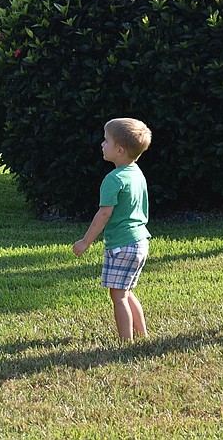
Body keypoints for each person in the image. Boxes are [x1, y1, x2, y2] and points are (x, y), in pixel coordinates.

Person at [73, 118, 152, 340]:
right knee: (125, 292)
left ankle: (126, 341)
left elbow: (104, 214)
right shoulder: (136, 173)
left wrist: (85, 242)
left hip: (122, 245)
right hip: (139, 242)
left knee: (117, 296)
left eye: (106, 140)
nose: (102, 144)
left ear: (119, 150)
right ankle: (142, 334)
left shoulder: (113, 179)